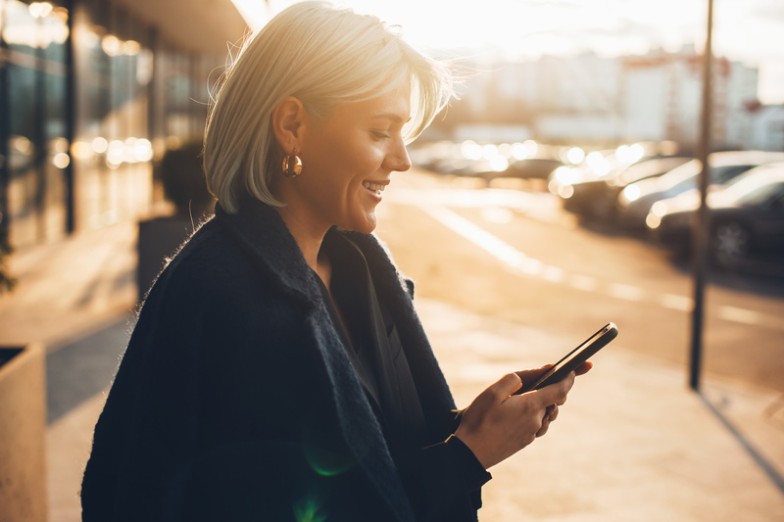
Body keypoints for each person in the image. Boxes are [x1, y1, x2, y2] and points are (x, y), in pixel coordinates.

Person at [81, 2, 590, 521]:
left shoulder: (362, 270)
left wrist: (473, 427)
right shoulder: (218, 292)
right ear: (293, 125)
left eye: (402, 133)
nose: (402, 159)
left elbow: (375, 459)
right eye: (379, 131)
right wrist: (467, 458)